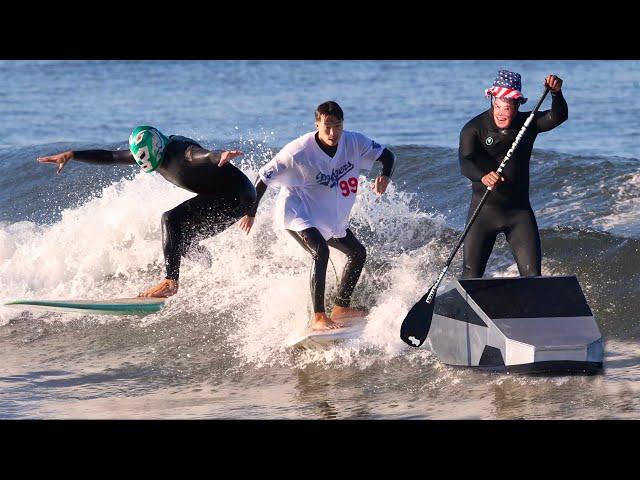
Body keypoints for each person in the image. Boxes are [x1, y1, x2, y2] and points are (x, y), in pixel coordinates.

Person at [38, 126, 256, 297]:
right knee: (182, 242)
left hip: (237, 197)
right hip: (223, 195)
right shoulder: (148, 151)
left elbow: (202, 155)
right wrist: (73, 154)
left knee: (170, 220)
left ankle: (170, 282)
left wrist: (220, 155)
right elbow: (111, 157)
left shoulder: (182, 154)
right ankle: (213, 273)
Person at [239, 101, 395, 331]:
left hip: (329, 216)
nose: (333, 133)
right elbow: (263, 179)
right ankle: (319, 317)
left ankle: (341, 307)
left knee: (357, 253)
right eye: (327, 127)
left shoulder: (355, 142)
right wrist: (250, 212)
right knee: (320, 251)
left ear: (343, 124)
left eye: (337, 126)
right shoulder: (297, 151)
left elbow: (387, 155)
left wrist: (385, 175)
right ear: (317, 125)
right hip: (297, 212)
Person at [458, 70, 568, 279]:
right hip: (483, 213)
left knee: (533, 276)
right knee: (471, 276)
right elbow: (465, 162)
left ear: (517, 106)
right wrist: (482, 176)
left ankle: (533, 310)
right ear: (491, 100)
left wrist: (556, 94)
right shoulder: (473, 129)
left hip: (519, 214)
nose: (500, 113)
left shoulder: (528, 124)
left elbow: (558, 116)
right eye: (497, 106)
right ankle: (462, 310)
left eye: (506, 108)